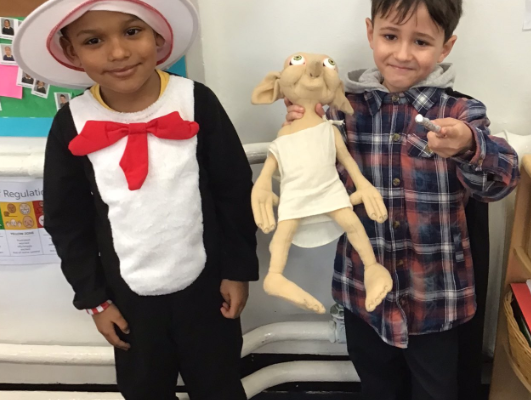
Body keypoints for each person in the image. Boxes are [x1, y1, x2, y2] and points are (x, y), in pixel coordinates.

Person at [15, 1, 258, 399]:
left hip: (208, 290)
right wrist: (95, 300)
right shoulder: (71, 122)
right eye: (93, 41)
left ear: (158, 35)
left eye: (132, 32)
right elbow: (66, 220)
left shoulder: (196, 101)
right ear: (71, 51)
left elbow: (232, 189)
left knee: (219, 385)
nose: (118, 52)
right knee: (144, 389)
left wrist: (238, 269)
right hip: (127, 299)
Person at [285, 1, 520, 399]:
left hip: (435, 300)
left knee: (436, 389)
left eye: (422, 41)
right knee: (377, 386)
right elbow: (321, 191)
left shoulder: (461, 112)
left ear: (446, 47)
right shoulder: (342, 110)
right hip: (364, 293)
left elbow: (501, 182)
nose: (403, 53)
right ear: (370, 32)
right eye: (391, 36)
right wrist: (304, 140)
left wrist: (469, 145)